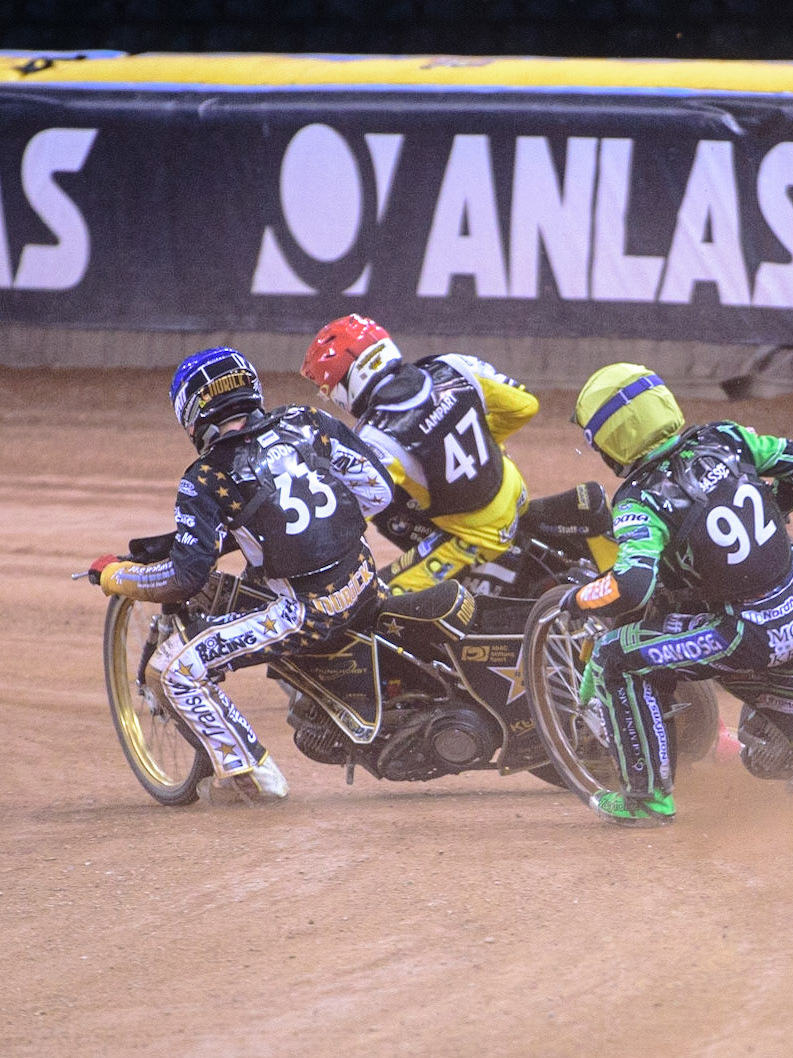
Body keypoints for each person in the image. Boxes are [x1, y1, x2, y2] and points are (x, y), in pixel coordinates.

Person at [88, 347, 394, 804]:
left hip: (305, 613)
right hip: (366, 579)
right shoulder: (307, 421)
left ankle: (249, 776)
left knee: (173, 669)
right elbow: (378, 493)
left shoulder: (206, 477)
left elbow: (184, 579)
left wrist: (116, 577)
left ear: (190, 413)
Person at [560, 363, 793, 826]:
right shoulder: (727, 437)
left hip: (754, 633)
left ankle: (646, 800)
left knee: (617, 656)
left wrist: (577, 599)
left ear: (612, 442)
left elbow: (632, 587)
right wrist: (777, 511)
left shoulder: (638, 501)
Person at [300, 314, 540, 594]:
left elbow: (346, 511)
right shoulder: (452, 365)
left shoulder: (376, 437)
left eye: (329, 390)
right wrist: (484, 442)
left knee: (377, 599)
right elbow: (525, 406)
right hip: (513, 487)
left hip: (477, 535)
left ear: (348, 382)